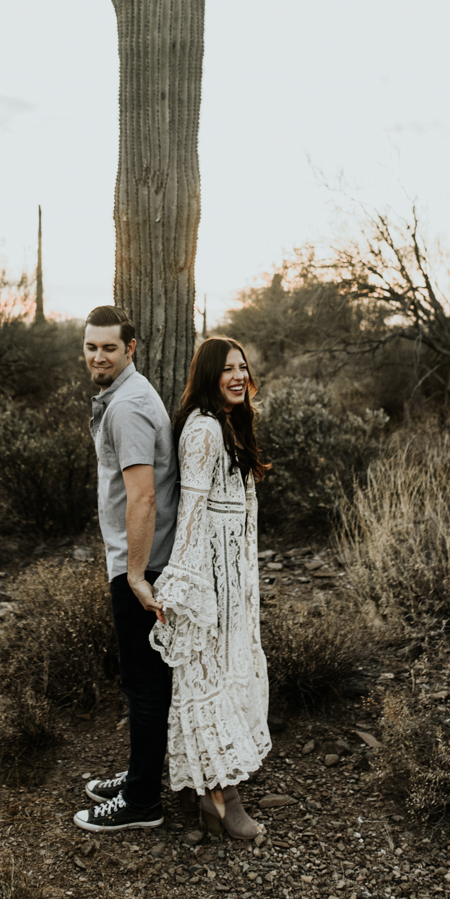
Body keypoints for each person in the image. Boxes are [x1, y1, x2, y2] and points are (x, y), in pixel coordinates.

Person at [149, 336, 271, 840]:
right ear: (207, 376)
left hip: (231, 577)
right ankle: (225, 800)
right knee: (206, 682)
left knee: (224, 677)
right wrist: (184, 588)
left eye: (243, 367)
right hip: (208, 581)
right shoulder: (202, 431)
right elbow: (192, 513)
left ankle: (208, 799)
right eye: (227, 369)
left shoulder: (227, 426)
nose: (239, 376)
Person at [73, 305, 179, 833]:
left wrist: (136, 577)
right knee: (145, 682)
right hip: (143, 560)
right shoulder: (124, 396)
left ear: (130, 349)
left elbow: (142, 499)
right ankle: (140, 776)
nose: (98, 356)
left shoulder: (128, 407)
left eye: (109, 347)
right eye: (91, 346)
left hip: (145, 566)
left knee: (143, 685)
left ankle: (141, 802)